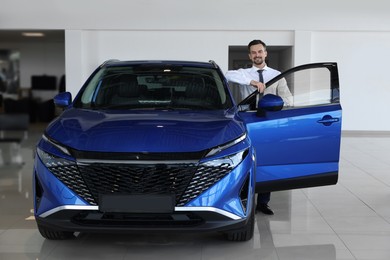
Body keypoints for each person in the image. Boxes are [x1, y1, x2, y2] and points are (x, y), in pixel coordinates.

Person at [225, 39, 293, 215]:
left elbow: (288, 100)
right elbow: (227, 75)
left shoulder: (276, 75)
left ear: (265, 53)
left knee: (266, 160)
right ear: (250, 55)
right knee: (246, 159)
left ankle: (263, 202)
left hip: (268, 123)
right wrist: (253, 83)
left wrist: (274, 103)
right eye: (254, 52)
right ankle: (245, 200)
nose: (257, 55)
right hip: (247, 122)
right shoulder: (244, 73)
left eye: (260, 51)